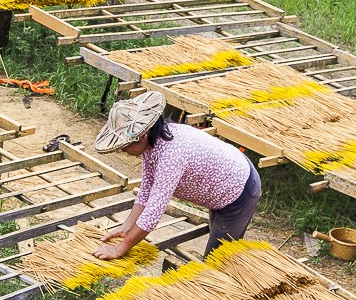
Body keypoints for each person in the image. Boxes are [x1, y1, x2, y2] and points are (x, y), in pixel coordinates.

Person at [93, 90, 261, 261]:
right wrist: (127, 226)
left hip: (238, 189)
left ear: (142, 135)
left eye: (126, 145)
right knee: (220, 237)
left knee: (217, 259)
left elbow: (153, 213)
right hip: (221, 184)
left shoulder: (171, 155)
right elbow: (146, 190)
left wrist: (119, 249)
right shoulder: (153, 144)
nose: (123, 150)